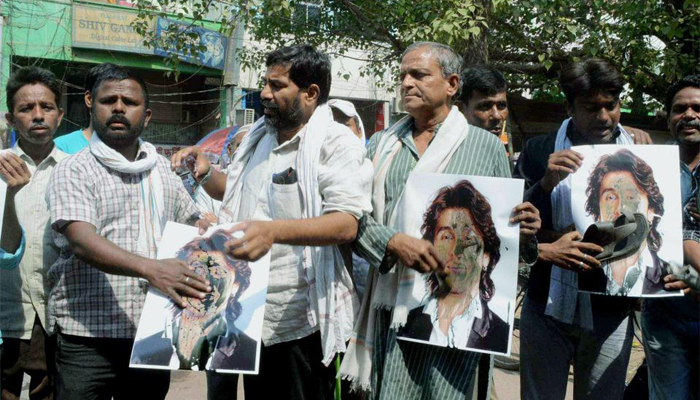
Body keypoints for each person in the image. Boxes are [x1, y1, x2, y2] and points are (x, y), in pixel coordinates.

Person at [338, 41, 540, 400]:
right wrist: (391, 242)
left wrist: (524, 229)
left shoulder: (487, 147)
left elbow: (501, 236)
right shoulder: (381, 146)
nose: (406, 83)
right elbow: (353, 218)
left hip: (459, 321)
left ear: (451, 84)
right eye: (402, 75)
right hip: (393, 312)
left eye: (419, 74)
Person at [171, 44, 372, 400]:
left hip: (297, 321)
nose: (264, 93)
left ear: (311, 93)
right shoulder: (256, 138)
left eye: (277, 86)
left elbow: (345, 223)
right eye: (265, 83)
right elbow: (236, 192)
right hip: (241, 311)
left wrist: (273, 232)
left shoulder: (336, 143)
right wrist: (205, 174)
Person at [46, 64, 211, 400]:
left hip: (150, 332)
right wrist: (153, 269)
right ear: (91, 103)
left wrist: (220, 234)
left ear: (146, 115)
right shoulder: (73, 169)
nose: (119, 108)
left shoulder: (161, 170)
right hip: (86, 338)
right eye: (110, 100)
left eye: (129, 102)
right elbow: (82, 241)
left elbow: (194, 224)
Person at [514, 58, 644, 400]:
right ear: (569, 107)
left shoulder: (641, 150)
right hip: (547, 304)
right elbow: (514, 222)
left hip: (611, 310)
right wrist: (544, 183)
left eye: (611, 105)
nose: (603, 117)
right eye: (591, 108)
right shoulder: (539, 150)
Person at [0, 66, 67, 400]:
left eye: (47, 107)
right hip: (6, 315)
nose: (38, 116)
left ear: (60, 115)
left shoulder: (76, 170)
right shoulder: (0, 166)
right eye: (27, 109)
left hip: (59, 318)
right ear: (12, 119)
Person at [640, 75, 700, 400]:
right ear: (668, 118)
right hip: (664, 313)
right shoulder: (649, 168)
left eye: (697, 107)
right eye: (680, 109)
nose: (689, 115)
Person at [399, 180, 509, 353]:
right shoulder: (406, 322)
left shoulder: (501, 334)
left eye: (468, 239)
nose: (456, 251)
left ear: (486, 256)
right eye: (447, 237)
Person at [131, 230, 257, 372]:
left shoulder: (249, 353)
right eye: (196, 269)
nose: (202, 280)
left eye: (217, 273)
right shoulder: (143, 351)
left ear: (236, 286)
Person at [581, 149, 669, 296]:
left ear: (650, 210)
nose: (621, 209)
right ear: (597, 212)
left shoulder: (669, 275)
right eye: (610, 198)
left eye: (631, 197)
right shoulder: (581, 272)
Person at [53, 64, 116, 154]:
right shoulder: (62, 148)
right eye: (109, 100)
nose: (118, 107)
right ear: (89, 99)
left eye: (127, 102)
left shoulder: (137, 151)